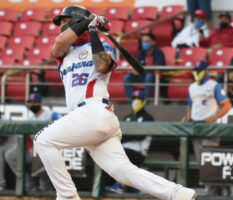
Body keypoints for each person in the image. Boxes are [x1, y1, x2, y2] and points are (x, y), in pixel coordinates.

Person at [34, 5, 196, 200]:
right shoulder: (62, 52)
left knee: (43, 140)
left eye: (65, 22)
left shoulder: (104, 45)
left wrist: (93, 30)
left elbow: (102, 65)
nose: (61, 27)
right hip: (88, 117)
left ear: (76, 21)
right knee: (123, 172)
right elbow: (60, 41)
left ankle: (67, 197)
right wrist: (90, 21)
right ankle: (179, 194)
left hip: (94, 110)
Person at [181, 60, 232, 196]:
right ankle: (211, 192)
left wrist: (214, 118)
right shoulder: (192, 87)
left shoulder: (214, 85)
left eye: (199, 70)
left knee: (211, 163)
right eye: (195, 70)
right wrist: (187, 117)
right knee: (201, 163)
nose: (197, 72)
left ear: (205, 70)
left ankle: (216, 192)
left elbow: (227, 105)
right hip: (195, 126)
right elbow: (190, 104)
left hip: (210, 128)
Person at [5, 93, 58, 192]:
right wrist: (29, 148)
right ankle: (28, 186)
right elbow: (26, 136)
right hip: (32, 151)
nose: (32, 104)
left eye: (35, 102)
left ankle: (45, 189)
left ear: (40, 103)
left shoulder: (51, 115)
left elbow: (61, 128)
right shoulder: (30, 119)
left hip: (48, 149)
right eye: (30, 102)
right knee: (10, 155)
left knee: (44, 157)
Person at [105, 90, 153, 193]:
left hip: (138, 152)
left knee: (120, 156)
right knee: (107, 155)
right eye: (134, 99)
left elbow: (141, 136)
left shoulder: (148, 117)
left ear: (144, 102)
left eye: (139, 99)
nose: (136, 101)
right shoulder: (127, 117)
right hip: (124, 149)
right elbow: (118, 133)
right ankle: (125, 186)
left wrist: (126, 136)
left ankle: (122, 185)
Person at [124, 32, 166, 102]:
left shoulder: (159, 53)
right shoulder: (141, 52)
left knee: (149, 76)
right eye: (144, 41)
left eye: (147, 41)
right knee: (127, 77)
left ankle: (145, 102)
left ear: (153, 42)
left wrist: (140, 71)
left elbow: (156, 69)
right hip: (142, 75)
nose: (145, 43)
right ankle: (130, 102)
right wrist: (134, 71)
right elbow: (137, 65)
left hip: (155, 77)